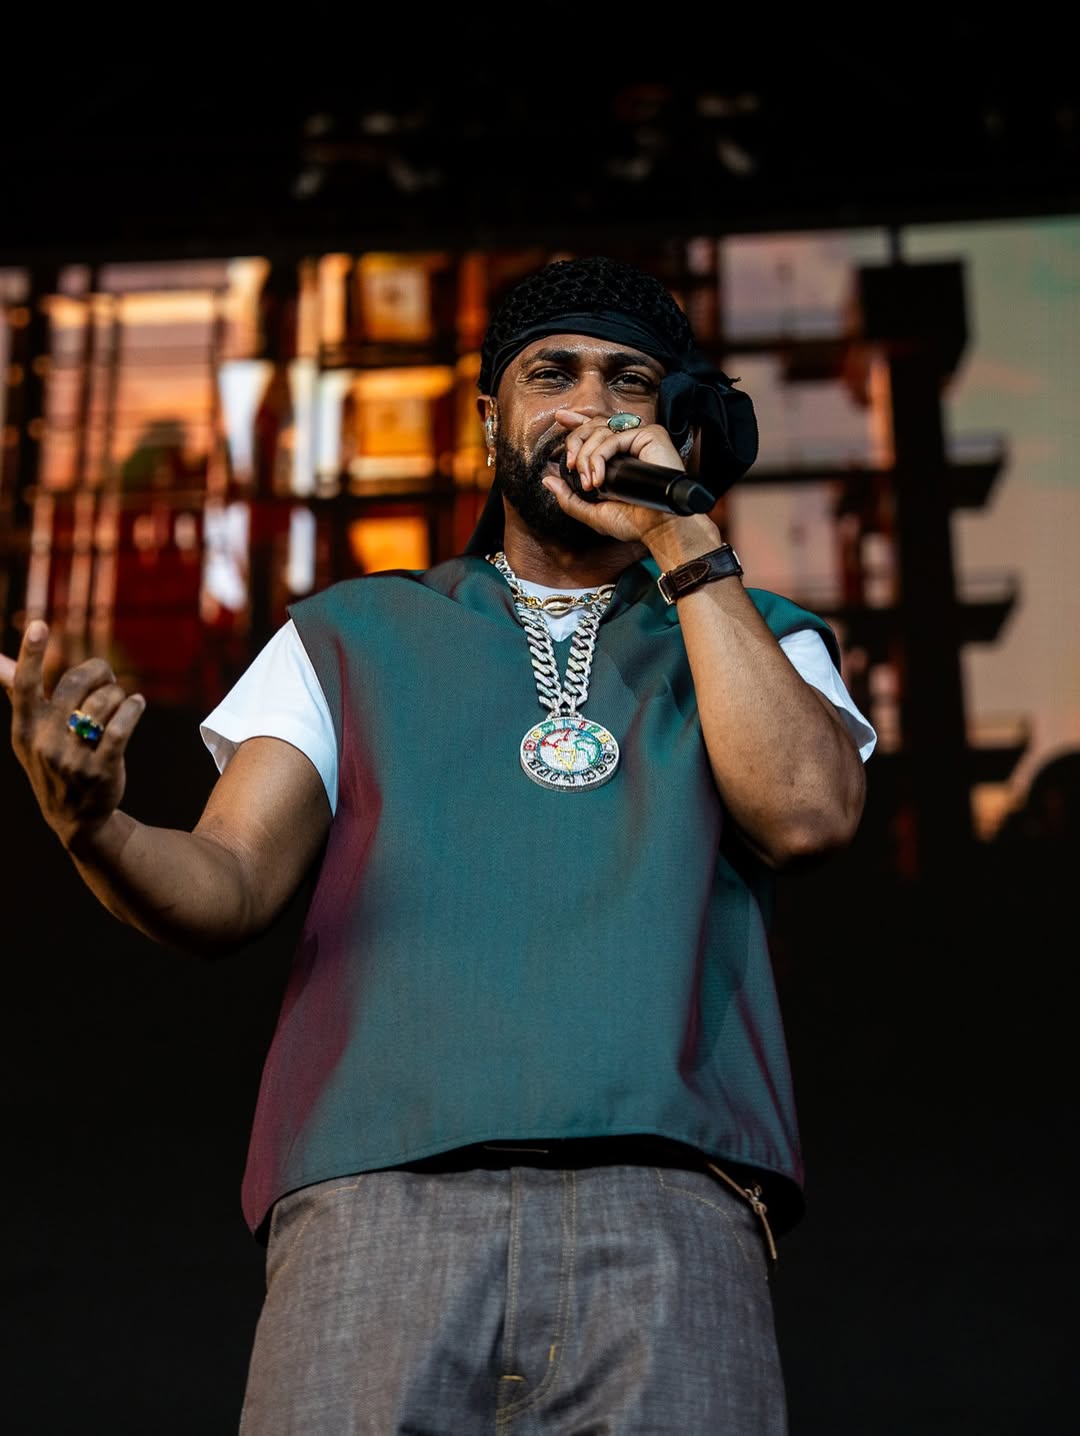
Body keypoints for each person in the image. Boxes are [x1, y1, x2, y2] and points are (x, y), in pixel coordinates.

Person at [2, 255, 876, 1434]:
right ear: (489, 419)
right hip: (376, 1203)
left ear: (674, 423)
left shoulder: (757, 633)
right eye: (552, 373)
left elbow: (808, 811)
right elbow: (226, 884)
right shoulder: (352, 632)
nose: (591, 404)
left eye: (630, 382)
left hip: (669, 1202)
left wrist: (684, 541)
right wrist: (93, 825)